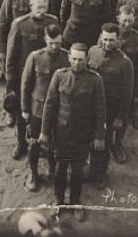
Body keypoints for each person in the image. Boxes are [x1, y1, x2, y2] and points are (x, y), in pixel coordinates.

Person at [39, 43, 106, 220]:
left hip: (83, 135)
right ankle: (59, 201)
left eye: (81, 60)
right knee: (60, 170)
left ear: (87, 60)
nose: (77, 63)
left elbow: (100, 110)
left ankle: (76, 202)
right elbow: (50, 105)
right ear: (69, 58)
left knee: (78, 171)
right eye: (74, 59)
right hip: (62, 134)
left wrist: (100, 136)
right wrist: (45, 132)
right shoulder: (60, 76)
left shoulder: (95, 80)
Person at [5, 0, 60, 160]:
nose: (42, 11)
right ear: (30, 6)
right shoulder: (20, 24)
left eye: (44, 7)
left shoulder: (53, 21)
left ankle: (45, 145)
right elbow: (11, 54)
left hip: (45, 75)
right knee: (24, 111)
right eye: (38, 7)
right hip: (24, 75)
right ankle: (21, 142)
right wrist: (11, 80)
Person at [20, 24, 69, 192]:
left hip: (59, 110)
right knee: (34, 143)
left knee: (56, 142)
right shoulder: (35, 57)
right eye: (51, 43)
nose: (54, 47)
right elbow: (26, 85)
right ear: (45, 40)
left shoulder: (67, 57)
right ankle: (33, 172)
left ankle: (52, 168)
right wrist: (25, 109)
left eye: (57, 43)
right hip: (38, 109)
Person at [87, 23, 134, 173]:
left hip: (110, 108)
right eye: (105, 39)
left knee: (103, 143)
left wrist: (120, 116)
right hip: (91, 104)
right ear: (101, 37)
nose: (107, 44)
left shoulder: (125, 63)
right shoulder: (92, 52)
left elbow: (127, 93)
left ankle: (100, 173)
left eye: (111, 40)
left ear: (118, 40)